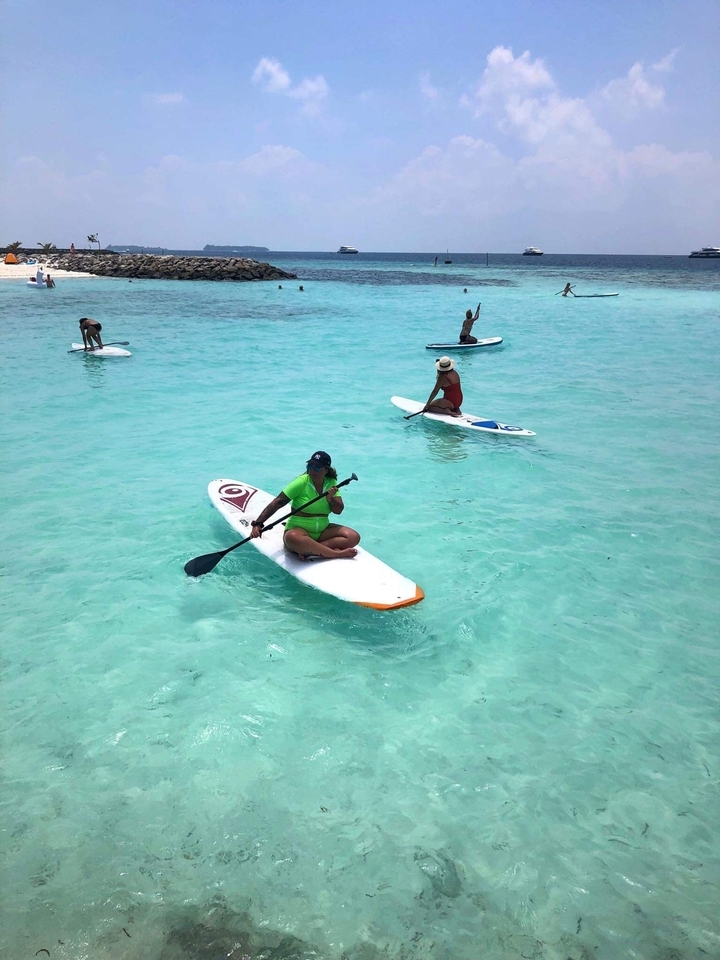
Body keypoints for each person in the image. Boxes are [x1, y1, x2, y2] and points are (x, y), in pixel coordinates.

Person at [250, 451, 360, 560]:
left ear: (326, 470)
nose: (312, 470)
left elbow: (338, 510)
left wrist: (330, 499)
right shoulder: (301, 482)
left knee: (353, 537)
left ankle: (312, 550)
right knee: (292, 537)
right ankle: (335, 554)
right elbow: (278, 502)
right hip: (299, 531)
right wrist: (258, 524)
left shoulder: (331, 482)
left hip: (322, 531)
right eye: (310, 465)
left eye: (317, 467)